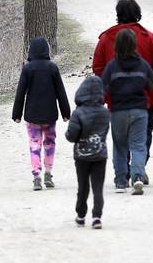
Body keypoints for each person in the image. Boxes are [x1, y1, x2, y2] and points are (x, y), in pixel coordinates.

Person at [92, 0, 153, 185]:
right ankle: (138, 170)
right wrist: (148, 81)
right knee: (144, 134)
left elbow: (98, 67)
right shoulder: (148, 36)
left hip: (117, 100)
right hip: (145, 98)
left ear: (118, 14)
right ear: (137, 12)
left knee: (120, 139)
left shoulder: (107, 37)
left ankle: (123, 174)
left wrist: (107, 88)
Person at [100, 29, 153, 196]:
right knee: (138, 146)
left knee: (120, 146)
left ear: (116, 45)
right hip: (139, 111)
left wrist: (94, 105)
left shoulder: (112, 66)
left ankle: (120, 181)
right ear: (134, 45)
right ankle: (137, 176)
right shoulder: (142, 64)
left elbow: (102, 88)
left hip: (118, 112)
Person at [12, 37, 71, 191]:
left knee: (34, 145)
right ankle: (48, 173)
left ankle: (36, 175)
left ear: (30, 50)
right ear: (47, 51)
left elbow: (20, 93)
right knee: (50, 143)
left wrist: (16, 114)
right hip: (50, 115)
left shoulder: (27, 68)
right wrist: (66, 112)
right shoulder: (52, 68)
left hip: (32, 115)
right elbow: (60, 92)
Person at [65, 76, 110, 229]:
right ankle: (97, 216)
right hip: (100, 155)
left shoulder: (78, 113)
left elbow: (72, 135)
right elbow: (104, 133)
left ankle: (81, 214)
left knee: (83, 186)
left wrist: (72, 137)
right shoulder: (105, 113)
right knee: (98, 187)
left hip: (81, 156)